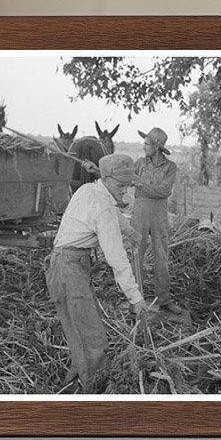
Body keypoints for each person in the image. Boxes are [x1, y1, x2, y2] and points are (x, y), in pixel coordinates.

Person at [46, 153, 148, 393]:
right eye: (121, 185)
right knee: (94, 339)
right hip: (70, 270)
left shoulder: (88, 190)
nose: (126, 190)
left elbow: (112, 214)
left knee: (77, 329)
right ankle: (94, 394)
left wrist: (130, 232)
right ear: (107, 178)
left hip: (62, 265)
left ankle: (76, 378)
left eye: (128, 185)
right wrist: (136, 298)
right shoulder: (103, 209)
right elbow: (117, 259)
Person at [132, 126, 179, 313]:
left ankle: (164, 299)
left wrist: (141, 185)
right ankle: (135, 300)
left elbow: (165, 191)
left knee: (162, 257)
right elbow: (126, 178)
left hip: (160, 215)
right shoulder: (139, 164)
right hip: (139, 214)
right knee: (136, 257)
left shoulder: (170, 167)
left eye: (146, 144)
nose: (144, 147)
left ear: (157, 147)